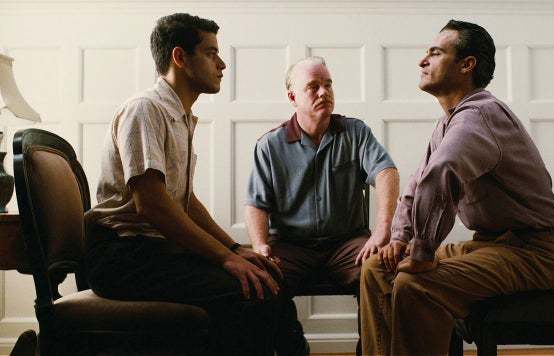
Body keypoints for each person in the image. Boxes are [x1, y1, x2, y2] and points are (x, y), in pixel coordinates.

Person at [360, 20, 554, 355]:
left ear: (466, 64)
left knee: (416, 283)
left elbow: (442, 174)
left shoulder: (480, 116)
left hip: (533, 253)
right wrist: (400, 239)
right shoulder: (450, 121)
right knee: (376, 268)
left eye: (435, 53)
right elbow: (417, 185)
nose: (422, 61)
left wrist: (423, 252)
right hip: (488, 245)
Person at [84, 13, 281, 355]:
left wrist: (235, 250)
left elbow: (184, 201)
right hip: (122, 257)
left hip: (152, 252)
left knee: (265, 278)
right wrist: (225, 258)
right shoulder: (145, 109)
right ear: (180, 58)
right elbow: (152, 205)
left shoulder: (180, 116)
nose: (222, 64)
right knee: (251, 290)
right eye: (210, 52)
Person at [245, 56, 400, 355]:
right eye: (313, 87)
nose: (323, 92)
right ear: (293, 97)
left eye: (328, 85)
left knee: (383, 270)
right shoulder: (270, 145)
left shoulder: (356, 132)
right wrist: (261, 246)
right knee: (260, 282)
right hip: (291, 245)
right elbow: (256, 203)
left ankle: (370, 351)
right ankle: (294, 348)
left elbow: (386, 172)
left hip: (348, 243)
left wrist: (382, 231)